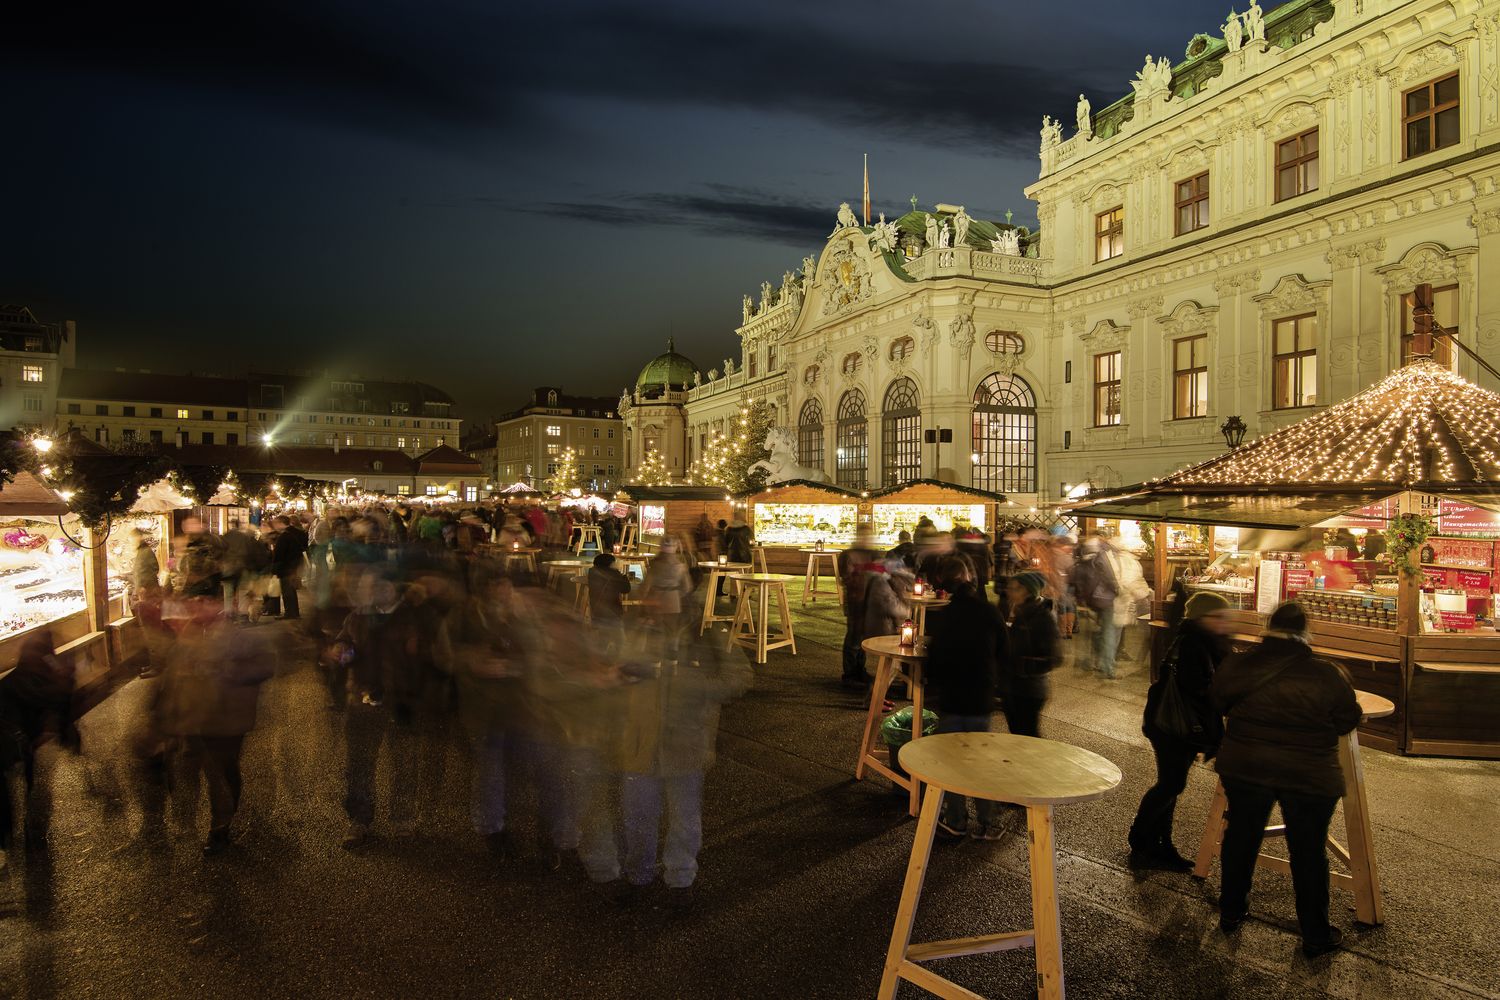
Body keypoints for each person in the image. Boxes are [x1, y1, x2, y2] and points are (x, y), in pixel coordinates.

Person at [1212, 602, 1362, 958]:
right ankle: (1315, 933)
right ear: (1305, 632)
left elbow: (1216, 701)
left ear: (1267, 627)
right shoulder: (1328, 674)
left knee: (1241, 837)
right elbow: (1346, 721)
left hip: (1245, 765)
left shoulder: (1238, 663)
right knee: (1308, 850)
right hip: (1308, 774)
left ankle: (1231, 912)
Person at [156, 596, 274, 855]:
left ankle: (220, 829)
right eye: (193, 603)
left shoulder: (239, 637)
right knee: (188, 772)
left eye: (203, 603)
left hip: (227, 720)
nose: (196, 608)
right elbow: (172, 678)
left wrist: (223, 672)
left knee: (220, 774)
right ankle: (186, 825)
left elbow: (265, 666)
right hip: (194, 718)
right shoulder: (187, 637)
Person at [1127, 590, 1232, 871]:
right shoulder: (1194, 644)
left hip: (1176, 724)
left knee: (1172, 782)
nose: (1225, 621)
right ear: (1202, 618)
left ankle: (1159, 842)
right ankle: (1141, 838)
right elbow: (1199, 687)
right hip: (1173, 725)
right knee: (1172, 784)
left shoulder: (1204, 641)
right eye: (1218, 616)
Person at [923, 555, 1006, 840]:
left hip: (951, 698)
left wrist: (932, 684)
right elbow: (1005, 652)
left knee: (952, 762)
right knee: (980, 760)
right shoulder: (990, 612)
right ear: (971, 579)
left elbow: (932, 661)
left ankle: (956, 819)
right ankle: (988, 821)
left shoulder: (944, 617)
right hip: (980, 696)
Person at [0, 630, 75, 854]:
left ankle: (10, 831)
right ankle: (28, 823)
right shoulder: (47, 668)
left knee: (16, 782)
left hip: (18, 736)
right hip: (26, 735)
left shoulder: (18, 676)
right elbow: (59, 694)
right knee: (32, 779)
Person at [999, 570, 1059, 739]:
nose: (1009, 592)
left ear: (1027, 591)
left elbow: (1054, 657)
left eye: (1014, 589)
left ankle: (1039, 765)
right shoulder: (1014, 610)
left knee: (1028, 736)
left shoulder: (1042, 617)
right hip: (1011, 685)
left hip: (1029, 689)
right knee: (1017, 732)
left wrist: (1020, 666)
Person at [837, 528, 881, 688]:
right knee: (854, 636)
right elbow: (846, 577)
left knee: (862, 635)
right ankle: (849, 673)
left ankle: (860, 669)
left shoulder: (872, 553)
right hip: (856, 600)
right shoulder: (849, 555)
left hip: (869, 599)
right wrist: (866, 571)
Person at [271, 515, 309, 620]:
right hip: (295, 565)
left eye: (276, 523)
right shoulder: (298, 533)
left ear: (281, 523)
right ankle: (293, 612)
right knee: (291, 590)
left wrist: (275, 568)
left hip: (286, 567)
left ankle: (291, 612)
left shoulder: (284, 536)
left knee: (287, 590)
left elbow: (279, 554)